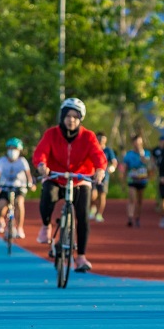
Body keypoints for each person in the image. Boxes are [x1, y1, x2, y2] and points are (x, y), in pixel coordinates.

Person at [32, 98, 107, 273]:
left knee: (82, 216)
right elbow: (40, 152)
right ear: (62, 117)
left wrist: (100, 170)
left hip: (79, 179)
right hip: (56, 177)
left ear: (80, 119)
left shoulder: (88, 136)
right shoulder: (51, 134)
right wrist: (42, 165)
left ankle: (81, 257)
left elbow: (98, 155)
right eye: (68, 116)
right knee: (47, 196)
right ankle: (46, 226)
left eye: (75, 117)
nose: (71, 120)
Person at [0, 137, 34, 239]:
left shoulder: (22, 161)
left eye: (15, 149)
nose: (12, 151)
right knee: (2, 204)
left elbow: (28, 175)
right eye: (10, 148)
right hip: (5, 186)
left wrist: (31, 183)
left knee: (19, 203)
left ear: (19, 150)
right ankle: (0, 220)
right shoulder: (2, 161)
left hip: (19, 186)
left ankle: (19, 227)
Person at [121, 133, 152, 228]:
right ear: (133, 143)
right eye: (136, 143)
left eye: (139, 143)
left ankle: (137, 217)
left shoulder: (146, 153)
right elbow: (125, 169)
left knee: (140, 200)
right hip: (132, 180)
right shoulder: (129, 155)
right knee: (132, 198)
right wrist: (123, 180)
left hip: (142, 180)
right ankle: (130, 217)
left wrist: (145, 160)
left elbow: (151, 167)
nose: (137, 144)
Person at [90, 132, 118, 223]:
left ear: (105, 140)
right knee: (92, 195)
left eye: (102, 138)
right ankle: (93, 208)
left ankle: (99, 214)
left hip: (104, 177)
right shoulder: (92, 149)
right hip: (91, 176)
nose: (100, 140)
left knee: (102, 195)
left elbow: (114, 161)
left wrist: (112, 167)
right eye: (99, 138)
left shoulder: (108, 151)